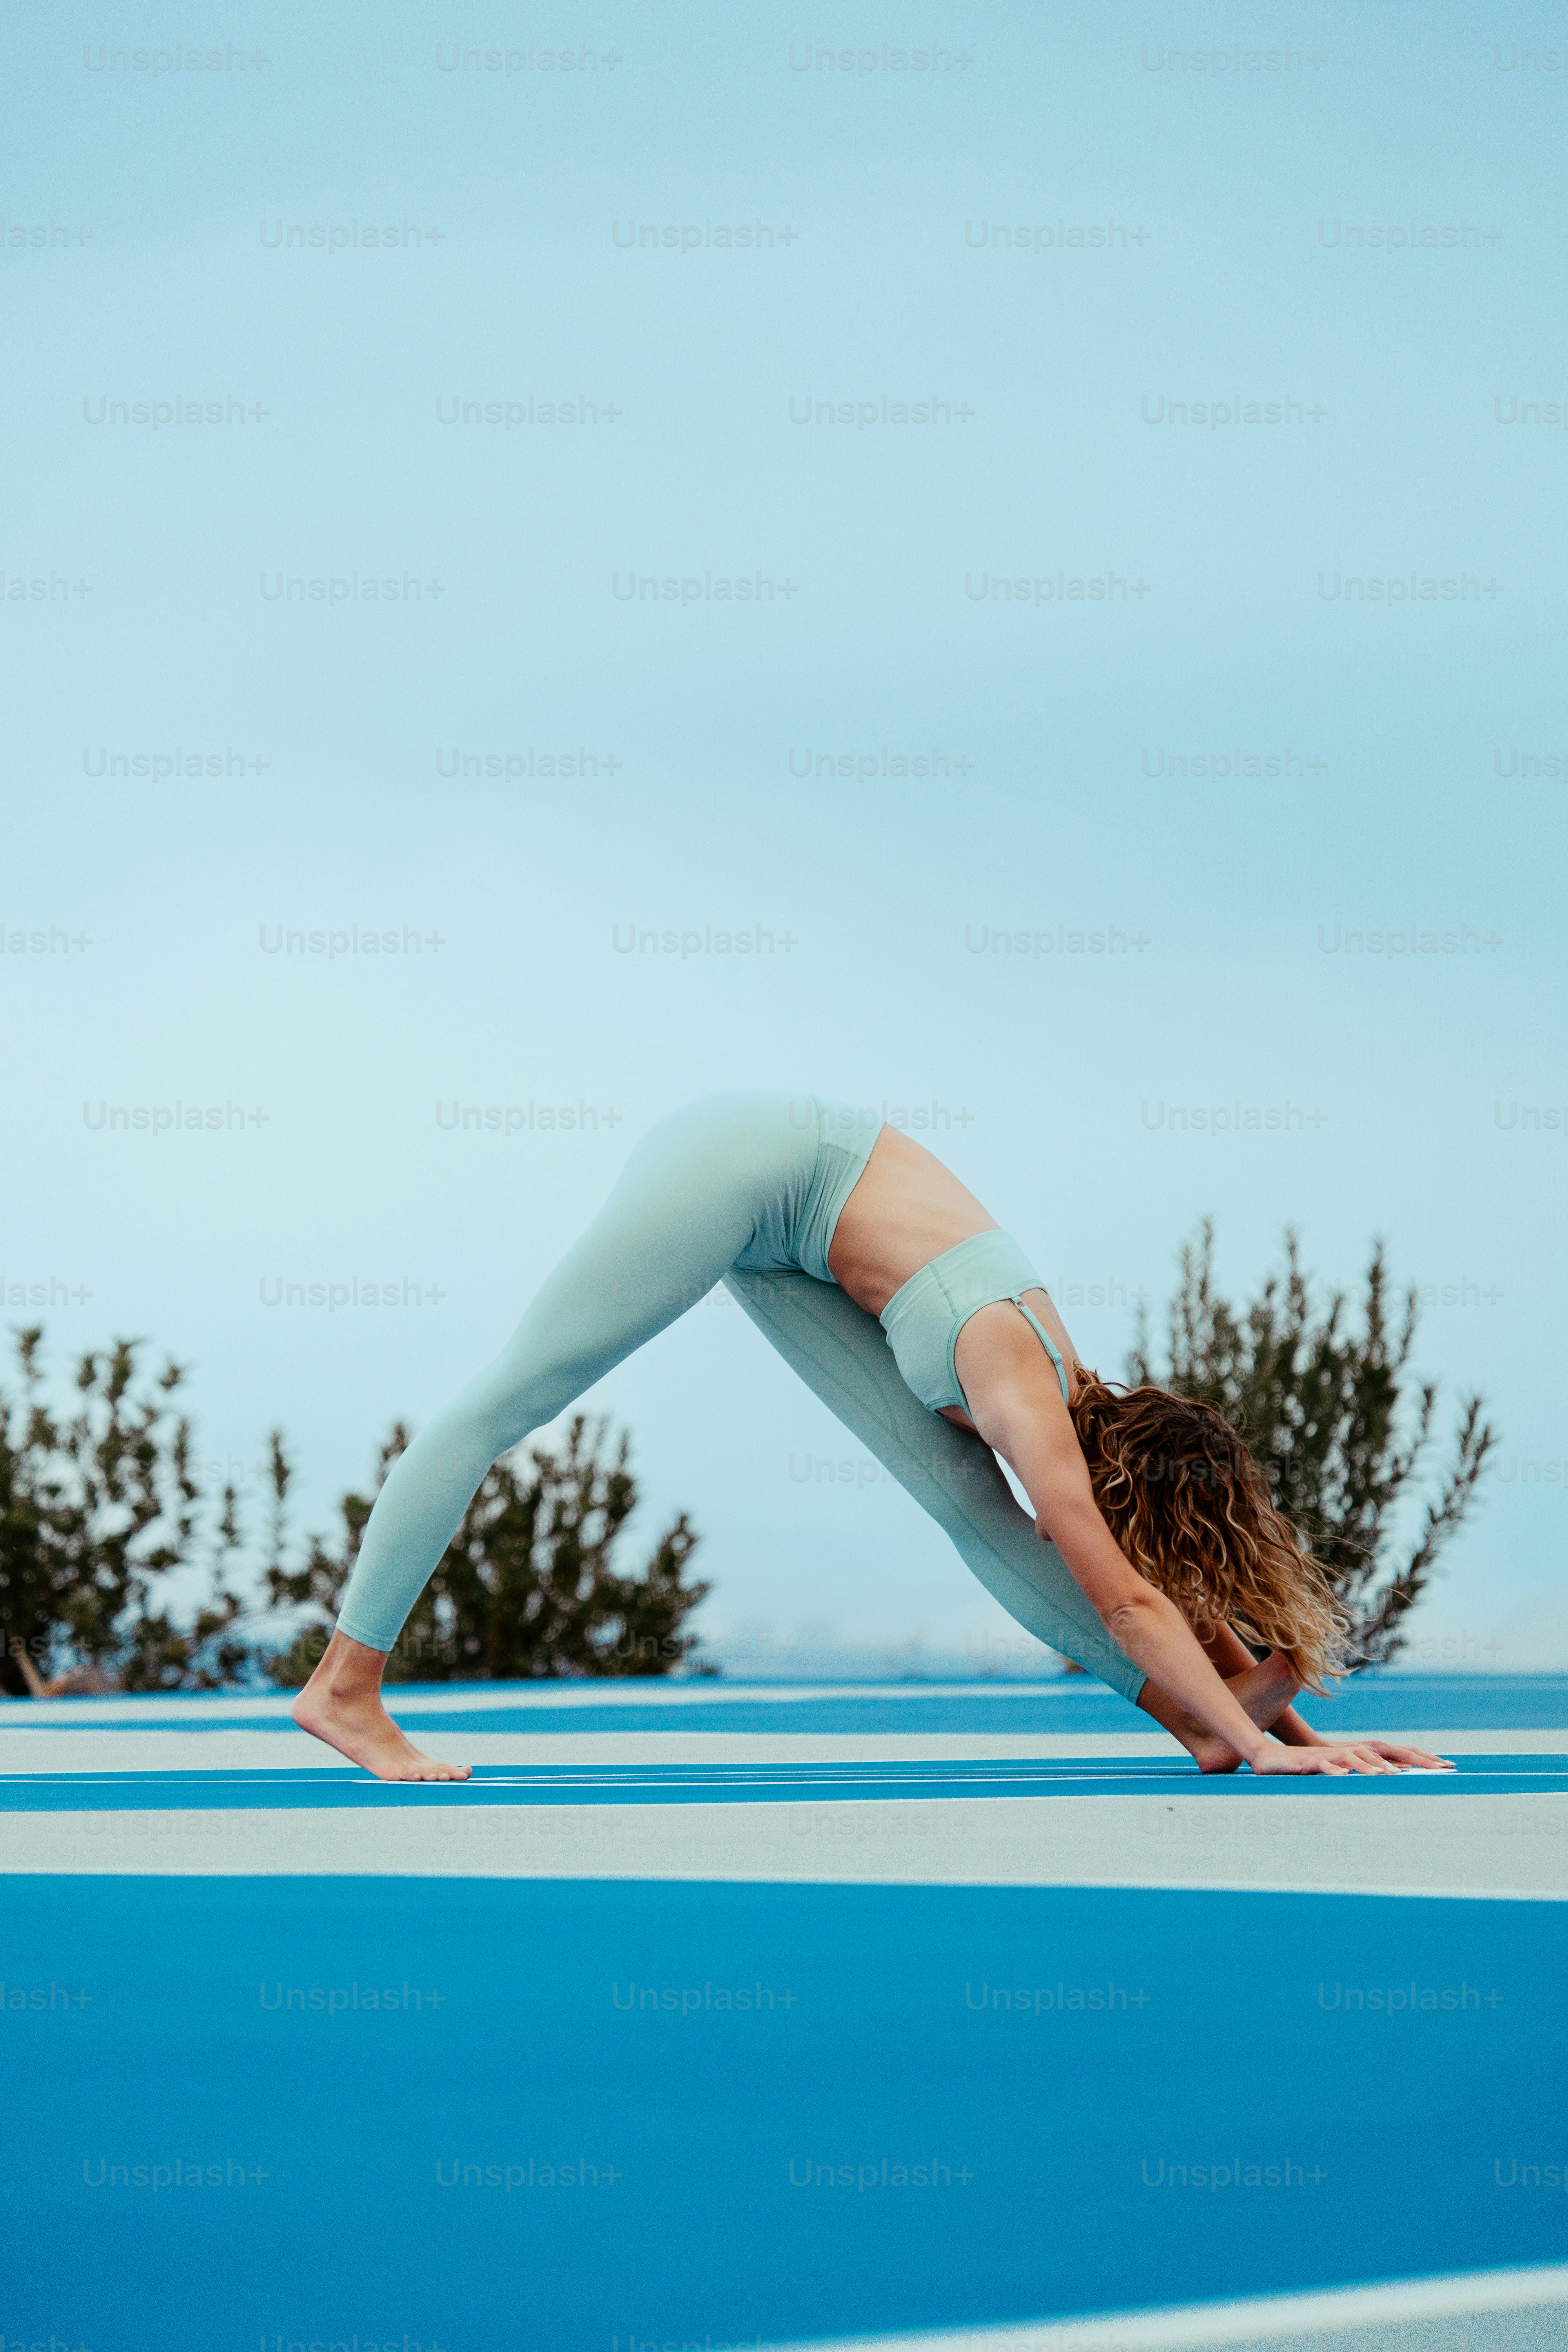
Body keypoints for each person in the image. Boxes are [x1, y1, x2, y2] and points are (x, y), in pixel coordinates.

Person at [291, 1091, 1450, 1782]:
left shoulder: (1075, 1403)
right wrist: (1271, 1752)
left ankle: (1191, 1726)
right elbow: (1130, 1601)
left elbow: (1126, 1572)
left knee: (967, 1514)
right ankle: (347, 1685)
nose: (1111, 1534)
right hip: (748, 1159)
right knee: (510, 1400)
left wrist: (1275, 1722)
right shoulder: (1017, 1380)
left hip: (803, 1235)